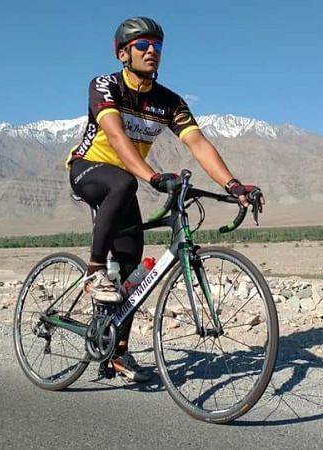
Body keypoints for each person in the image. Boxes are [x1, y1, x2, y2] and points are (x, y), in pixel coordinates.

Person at [66, 16, 262, 382]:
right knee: (124, 182)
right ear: (123, 53)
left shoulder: (168, 102)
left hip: (127, 180)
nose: (151, 50)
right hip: (90, 170)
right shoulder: (105, 85)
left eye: (157, 44)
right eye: (142, 45)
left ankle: (117, 352)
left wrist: (233, 185)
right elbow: (117, 138)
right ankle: (94, 271)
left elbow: (198, 144)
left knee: (131, 267)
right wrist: (152, 175)